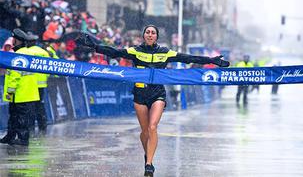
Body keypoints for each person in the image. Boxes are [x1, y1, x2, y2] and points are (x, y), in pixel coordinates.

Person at [76, 24, 230, 176]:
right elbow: (115, 52)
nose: (150, 35)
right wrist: (95, 46)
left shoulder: (165, 52)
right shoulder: (135, 51)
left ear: (156, 36)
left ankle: (149, 164)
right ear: (144, 35)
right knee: (144, 132)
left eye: (153, 33)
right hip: (140, 94)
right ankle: (147, 155)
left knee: (152, 127)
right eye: (147, 32)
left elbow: (189, 58)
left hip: (158, 94)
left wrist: (212, 60)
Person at [0, 28, 40, 146]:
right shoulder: (30, 53)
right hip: (28, 91)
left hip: (20, 92)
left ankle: (22, 139)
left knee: (20, 116)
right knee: (15, 116)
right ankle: (10, 135)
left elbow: (14, 76)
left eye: (14, 40)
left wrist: (10, 92)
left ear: (18, 41)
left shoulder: (18, 56)